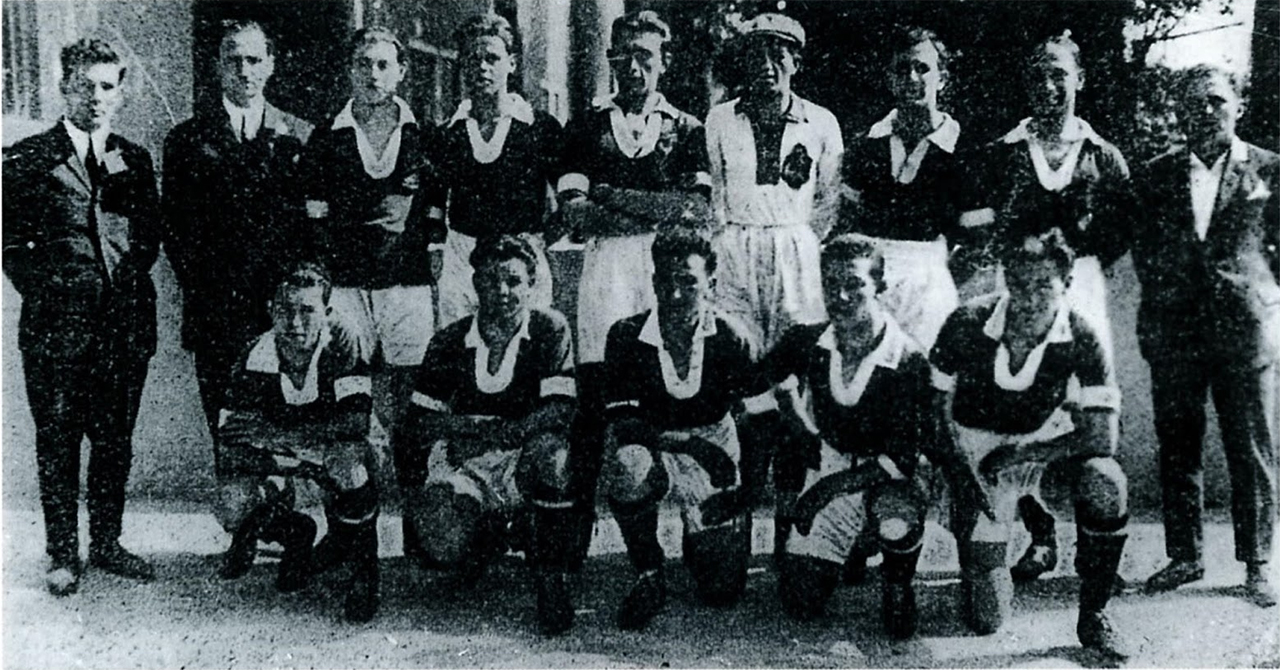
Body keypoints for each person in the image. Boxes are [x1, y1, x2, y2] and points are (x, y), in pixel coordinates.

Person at [958, 32, 1132, 582]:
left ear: (1080, 79)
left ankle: (1092, 551)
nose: (1048, 85)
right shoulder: (1002, 153)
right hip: (1019, 294)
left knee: (1083, 416)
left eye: (1059, 73)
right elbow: (980, 234)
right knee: (1019, 408)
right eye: (1037, 75)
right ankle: (1039, 536)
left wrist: (1078, 272)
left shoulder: (1104, 157)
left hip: (1080, 293)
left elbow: (1120, 235)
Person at [2, 38, 162, 596]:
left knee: (115, 439)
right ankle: (63, 553)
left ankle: (108, 543)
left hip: (123, 327)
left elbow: (147, 239)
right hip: (56, 329)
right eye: (84, 85)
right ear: (63, 88)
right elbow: (10, 245)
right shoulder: (26, 158)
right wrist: (54, 291)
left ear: (120, 93)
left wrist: (121, 291)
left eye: (106, 86)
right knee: (59, 439)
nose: (95, 96)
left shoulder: (134, 159)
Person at [556, 9, 711, 570]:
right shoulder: (585, 126)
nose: (634, 67)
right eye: (623, 56)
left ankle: (699, 523)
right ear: (611, 60)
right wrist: (651, 208)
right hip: (606, 274)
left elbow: (693, 210)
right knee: (596, 399)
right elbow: (575, 213)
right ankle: (574, 530)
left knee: (675, 391)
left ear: (664, 62)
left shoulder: (687, 128)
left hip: (666, 271)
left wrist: (610, 193)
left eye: (645, 56)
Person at [931, 228, 1129, 661]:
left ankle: (1095, 613)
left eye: (1044, 285)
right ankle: (987, 554)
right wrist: (963, 476)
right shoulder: (967, 321)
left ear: (1067, 283)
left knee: (1106, 481)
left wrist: (1025, 454)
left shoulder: (1082, 335)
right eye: (1019, 283)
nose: (1029, 297)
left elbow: (1103, 438)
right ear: (1005, 279)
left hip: (1038, 447)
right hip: (978, 451)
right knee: (986, 618)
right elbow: (932, 412)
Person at [1133, 65, 1278, 608]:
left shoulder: (1269, 168)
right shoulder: (1155, 174)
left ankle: (1257, 562)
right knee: (1178, 444)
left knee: (1251, 446)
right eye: (1193, 103)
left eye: (1216, 100)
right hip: (1176, 330)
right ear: (1178, 113)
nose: (1206, 111)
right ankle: (1185, 555)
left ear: (1237, 104)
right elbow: (1144, 249)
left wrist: (1261, 295)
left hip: (1243, 329)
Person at [826, 25, 965, 583]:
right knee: (870, 402)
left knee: (922, 408)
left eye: (922, 68)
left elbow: (974, 240)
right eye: (901, 68)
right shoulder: (866, 146)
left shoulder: (962, 148)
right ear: (888, 78)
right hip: (874, 281)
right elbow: (848, 222)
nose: (912, 78)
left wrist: (943, 283)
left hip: (930, 281)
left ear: (941, 77)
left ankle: (904, 533)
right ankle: (865, 530)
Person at [393, 235, 580, 636]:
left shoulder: (549, 328)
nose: (503, 291)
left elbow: (560, 408)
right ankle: (487, 536)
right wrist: (467, 428)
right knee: (441, 544)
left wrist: (507, 431)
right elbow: (420, 420)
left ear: (531, 284)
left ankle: (550, 578)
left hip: (523, 454)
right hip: (470, 458)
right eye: (491, 280)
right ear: (475, 283)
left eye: (513, 281)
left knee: (554, 457)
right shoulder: (449, 339)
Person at [600, 225, 777, 631]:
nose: (676, 294)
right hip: (657, 445)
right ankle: (649, 572)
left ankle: (702, 535)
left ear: (710, 284)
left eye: (688, 282)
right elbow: (625, 426)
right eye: (666, 281)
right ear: (653, 282)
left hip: (715, 445)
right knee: (628, 464)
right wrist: (691, 444)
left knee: (721, 590)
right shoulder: (626, 335)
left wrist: (745, 494)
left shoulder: (732, 336)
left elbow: (765, 421)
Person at [762, 237, 938, 640]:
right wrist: (794, 414)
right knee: (799, 602)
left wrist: (823, 491)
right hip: (834, 463)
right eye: (830, 283)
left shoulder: (907, 358)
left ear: (879, 286)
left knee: (895, 511)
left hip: (887, 475)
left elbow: (903, 458)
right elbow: (764, 376)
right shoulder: (809, 339)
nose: (840, 297)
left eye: (854, 284)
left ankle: (898, 582)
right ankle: (853, 546)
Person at [296, 27, 437, 480]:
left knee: (410, 395)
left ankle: (414, 500)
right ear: (349, 70)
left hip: (407, 284)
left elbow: (435, 211)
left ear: (401, 71)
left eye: (382, 65)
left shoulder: (424, 134)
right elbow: (315, 219)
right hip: (348, 286)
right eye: (363, 64)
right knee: (350, 391)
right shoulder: (326, 137)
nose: (373, 74)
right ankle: (356, 503)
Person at [163, 19, 313, 437]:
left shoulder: (301, 137)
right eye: (233, 60)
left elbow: (309, 231)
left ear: (270, 64)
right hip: (218, 313)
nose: (244, 70)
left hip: (283, 314)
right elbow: (176, 231)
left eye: (253, 59)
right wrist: (213, 288)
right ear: (217, 65)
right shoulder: (186, 140)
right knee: (228, 429)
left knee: (283, 429)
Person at [214, 262, 380, 623]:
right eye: (285, 310)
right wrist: (275, 467)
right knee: (231, 502)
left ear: (327, 312)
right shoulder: (253, 356)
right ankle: (294, 530)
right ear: (270, 310)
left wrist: (279, 436)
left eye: (307, 310)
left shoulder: (344, 342)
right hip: (290, 450)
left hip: (333, 446)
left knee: (351, 467)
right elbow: (230, 440)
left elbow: (355, 422)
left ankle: (364, 570)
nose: (295, 322)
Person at [705, 12, 843, 355]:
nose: (766, 66)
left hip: (796, 249)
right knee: (736, 343)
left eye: (778, 56)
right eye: (755, 56)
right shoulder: (720, 119)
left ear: (796, 63)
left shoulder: (821, 122)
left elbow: (829, 199)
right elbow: (716, 192)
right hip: (735, 247)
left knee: (794, 346)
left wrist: (801, 240)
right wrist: (725, 242)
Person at [432, 13, 565, 328]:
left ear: (512, 63)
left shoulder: (540, 128)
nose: (482, 67)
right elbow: (435, 204)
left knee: (524, 348)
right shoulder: (447, 133)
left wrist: (539, 241)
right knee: (461, 348)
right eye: (472, 59)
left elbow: (570, 202)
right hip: (463, 262)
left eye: (492, 58)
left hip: (522, 261)